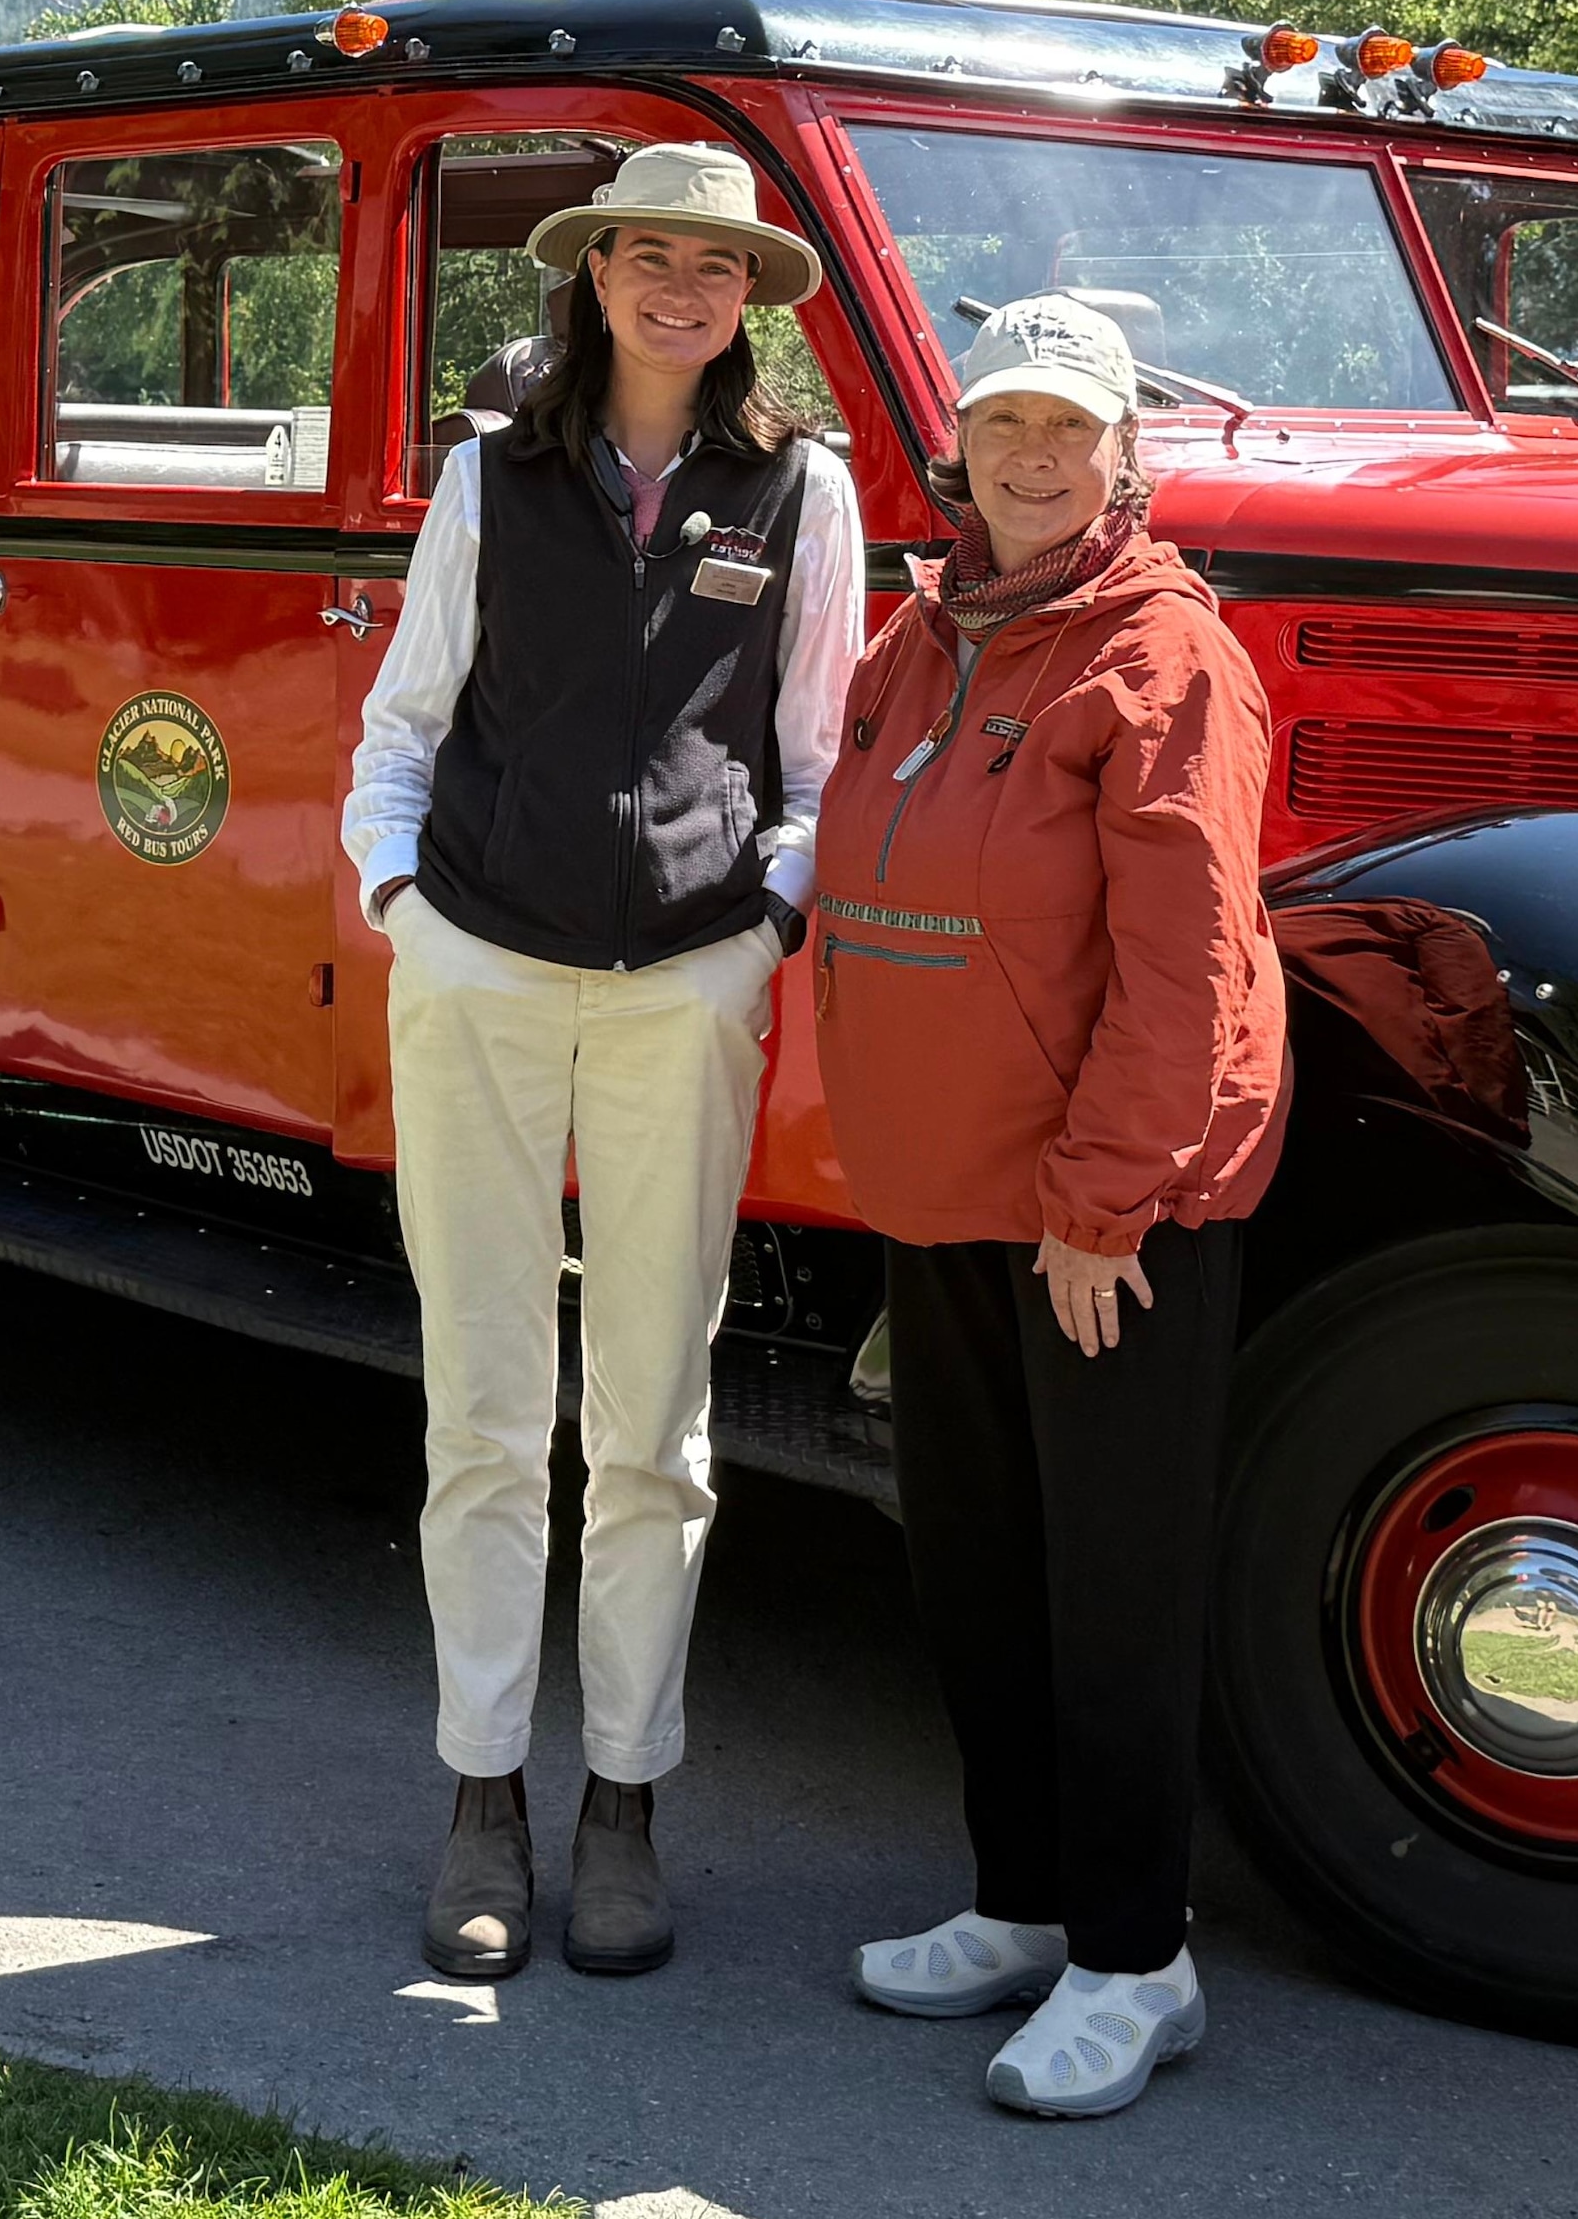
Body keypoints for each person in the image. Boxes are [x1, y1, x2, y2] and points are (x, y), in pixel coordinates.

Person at [339, 140, 866, 1981]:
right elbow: (402, 724)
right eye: (649, 254)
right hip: (476, 965)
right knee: (484, 1408)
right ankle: (482, 1792)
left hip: (683, 991)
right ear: (596, 276)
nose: (679, 288)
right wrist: (403, 899)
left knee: (653, 1418)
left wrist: (766, 924)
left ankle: (623, 1801)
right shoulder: (493, 478)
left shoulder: (802, 492)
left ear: (746, 300)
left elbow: (820, 755)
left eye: (712, 264)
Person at [805, 293, 1288, 2118]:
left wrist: (1102, 1202)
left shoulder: (1162, 658)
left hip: (1108, 1211)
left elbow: (1194, 973)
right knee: (978, 1560)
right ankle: (1019, 1904)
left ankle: (1134, 1954)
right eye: (1004, 422)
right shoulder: (926, 636)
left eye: (1068, 430)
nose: (1032, 456)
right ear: (960, 445)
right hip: (950, 1185)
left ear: (1122, 456)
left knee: (1117, 1577)